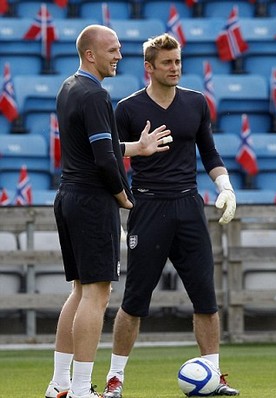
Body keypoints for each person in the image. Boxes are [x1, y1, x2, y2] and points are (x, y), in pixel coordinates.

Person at [101, 33, 238, 398]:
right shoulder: (127, 109)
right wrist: (123, 189)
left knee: (206, 299)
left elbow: (209, 153)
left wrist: (225, 187)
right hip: (148, 208)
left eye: (177, 61)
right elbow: (109, 156)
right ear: (149, 67)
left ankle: (212, 375)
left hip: (189, 206)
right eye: (167, 62)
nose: (175, 67)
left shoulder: (196, 103)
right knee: (134, 301)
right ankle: (115, 380)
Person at [44, 25, 172, 398]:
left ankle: (60, 384)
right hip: (90, 200)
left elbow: (99, 146)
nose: (119, 56)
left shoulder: (69, 88)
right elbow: (103, 159)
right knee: (97, 294)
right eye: (113, 50)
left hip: (67, 195)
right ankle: (83, 388)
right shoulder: (96, 95)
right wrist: (123, 196)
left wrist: (137, 147)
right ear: (91, 54)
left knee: (80, 291)